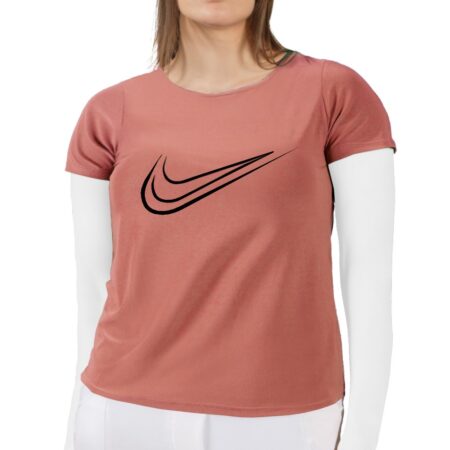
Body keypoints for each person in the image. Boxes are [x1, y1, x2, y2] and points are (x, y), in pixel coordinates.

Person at [64, 1, 396, 449]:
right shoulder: (110, 111)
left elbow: (368, 274)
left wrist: (362, 436)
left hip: (284, 420)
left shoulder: (332, 94)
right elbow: (93, 291)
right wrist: (75, 423)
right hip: (122, 413)